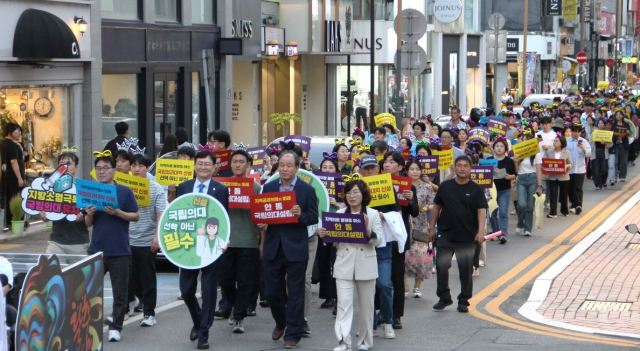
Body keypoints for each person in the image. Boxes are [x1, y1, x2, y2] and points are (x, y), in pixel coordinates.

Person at [259, 151, 319, 349]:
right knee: (272, 292)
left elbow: (313, 217)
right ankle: (281, 322)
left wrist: (301, 215)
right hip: (273, 247)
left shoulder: (306, 190)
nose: (284, 169)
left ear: (296, 168)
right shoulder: (268, 188)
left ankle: (293, 333)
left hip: (296, 247)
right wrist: (261, 223)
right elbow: (261, 213)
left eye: (288, 165)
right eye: (281, 165)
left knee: (295, 292)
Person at [319, 178, 382, 351]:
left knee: (367, 308)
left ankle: (365, 342)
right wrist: (324, 235)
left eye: (356, 192)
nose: (352, 196)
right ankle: (343, 341)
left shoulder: (373, 214)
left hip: (366, 264)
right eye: (348, 193)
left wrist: (367, 229)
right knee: (343, 305)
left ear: (364, 195)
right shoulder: (338, 214)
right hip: (343, 264)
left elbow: (378, 241)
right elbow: (331, 241)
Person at [175, 151, 229, 350]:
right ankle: (198, 321)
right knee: (186, 290)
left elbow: (224, 217)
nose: (203, 167)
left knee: (208, 291)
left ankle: (204, 333)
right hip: (188, 246)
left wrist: (225, 239)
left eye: (207, 164)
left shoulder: (221, 189)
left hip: (211, 246)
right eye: (200, 163)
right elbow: (176, 216)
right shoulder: (184, 187)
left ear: (214, 167)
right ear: (194, 165)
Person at [84, 151, 140, 342]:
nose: (101, 172)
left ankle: (116, 327)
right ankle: (88, 324)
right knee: (89, 290)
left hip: (119, 250)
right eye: (98, 169)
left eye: (105, 168)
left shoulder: (125, 191)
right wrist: (89, 213)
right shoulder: (92, 190)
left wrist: (117, 212)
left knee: (120, 293)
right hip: (96, 249)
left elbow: (135, 215)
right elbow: (88, 223)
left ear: (114, 169)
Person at [429, 156, 487, 312]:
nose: (462, 168)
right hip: (446, 234)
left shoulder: (476, 189)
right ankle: (444, 297)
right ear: (454, 168)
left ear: (470, 169)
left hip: (467, 236)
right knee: (441, 265)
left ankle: (464, 300)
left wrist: (480, 231)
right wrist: (431, 228)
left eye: (465, 166)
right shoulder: (445, 186)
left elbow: (481, 211)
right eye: (459, 166)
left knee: (465, 270)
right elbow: (436, 207)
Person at [218, 150, 263, 334]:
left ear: (249, 165)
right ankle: (235, 306)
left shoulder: (257, 188)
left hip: (249, 242)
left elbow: (262, 219)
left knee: (245, 282)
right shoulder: (222, 187)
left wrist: (262, 243)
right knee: (226, 280)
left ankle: (239, 317)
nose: (237, 165)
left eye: (241, 162)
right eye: (234, 161)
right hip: (226, 242)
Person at [357, 155, 397, 339]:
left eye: (373, 167)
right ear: (361, 171)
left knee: (384, 285)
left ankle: (387, 321)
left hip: (382, 244)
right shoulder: (355, 190)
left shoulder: (387, 187)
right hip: (362, 246)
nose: (370, 171)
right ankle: (370, 323)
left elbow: (396, 213)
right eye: (367, 168)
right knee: (366, 286)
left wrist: (384, 216)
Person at [127, 154, 166, 327]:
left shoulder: (156, 189)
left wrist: (157, 237)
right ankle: (132, 305)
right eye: (133, 165)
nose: (136, 169)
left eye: (140, 166)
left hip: (146, 240)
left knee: (148, 279)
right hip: (126, 240)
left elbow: (161, 215)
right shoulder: (124, 187)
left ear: (148, 168)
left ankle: (149, 313)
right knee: (130, 279)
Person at [381, 152, 418, 329]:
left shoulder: (408, 186)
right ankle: (380, 310)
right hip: (380, 235)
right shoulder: (377, 184)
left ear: (401, 166)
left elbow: (415, 212)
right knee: (379, 277)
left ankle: (396, 315)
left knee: (396, 276)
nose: (387, 165)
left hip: (397, 237)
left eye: (392, 162)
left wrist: (411, 201)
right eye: (385, 162)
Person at [40, 152, 89, 256]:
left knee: (78, 273)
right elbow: (48, 214)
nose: (64, 167)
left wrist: (84, 217)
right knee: (53, 271)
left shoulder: (83, 189)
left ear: (76, 167)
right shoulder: (51, 189)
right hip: (56, 242)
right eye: (61, 164)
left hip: (79, 242)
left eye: (68, 163)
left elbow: (90, 219)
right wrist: (44, 216)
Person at [404, 159, 435, 298]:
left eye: (417, 169)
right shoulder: (402, 185)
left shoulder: (427, 187)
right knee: (403, 256)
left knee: (421, 256)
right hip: (405, 222)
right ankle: (404, 286)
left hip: (421, 224)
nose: (415, 171)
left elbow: (434, 204)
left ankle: (417, 287)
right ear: (406, 171)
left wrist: (427, 207)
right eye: (412, 169)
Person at [487, 139, 517, 244]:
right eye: (497, 146)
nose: (499, 148)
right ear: (493, 148)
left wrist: (507, 176)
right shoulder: (488, 160)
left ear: (505, 149)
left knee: (503, 212)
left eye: (502, 146)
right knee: (492, 213)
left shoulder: (509, 161)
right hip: (491, 190)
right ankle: (495, 233)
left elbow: (514, 175)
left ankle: (504, 235)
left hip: (504, 190)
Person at [515, 132, 543, 236]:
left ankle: (528, 228)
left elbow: (539, 171)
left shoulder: (537, 154)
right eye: (523, 140)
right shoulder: (518, 153)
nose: (524, 142)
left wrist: (539, 186)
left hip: (532, 179)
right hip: (521, 179)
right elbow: (517, 171)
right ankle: (520, 223)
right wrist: (516, 161)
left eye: (527, 140)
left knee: (530, 206)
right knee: (521, 204)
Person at [2, 123, 26, 229]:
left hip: (7, 176)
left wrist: (20, 147)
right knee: (16, 198)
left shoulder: (6, 143)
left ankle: (10, 222)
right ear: (10, 131)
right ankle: (16, 222)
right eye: (16, 131)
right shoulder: (11, 144)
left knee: (10, 199)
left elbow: (24, 158)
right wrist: (19, 178)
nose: (19, 133)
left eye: (20, 131)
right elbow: (14, 162)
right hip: (13, 177)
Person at [566, 124, 591, 215]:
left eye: (578, 132)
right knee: (570, 188)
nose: (576, 134)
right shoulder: (567, 141)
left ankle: (579, 205)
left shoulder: (584, 142)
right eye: (574, 131)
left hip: (580, 169)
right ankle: (573, 204)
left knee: (578, 187)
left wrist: (583, 148)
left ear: (580, 133)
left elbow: (588, 154)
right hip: (569, 169)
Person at [545, 136, 573, 218]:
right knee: (553, 194)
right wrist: (545, 167)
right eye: (554, 141)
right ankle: (553, 212)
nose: (554, 142)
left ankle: (564, 210)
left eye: (556, 141)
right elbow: (546, 162)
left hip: (564, 176)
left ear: (561, 143)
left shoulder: (566, 152)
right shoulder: (549, 152)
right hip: (552, 176)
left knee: (564, 194)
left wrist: (566, 166)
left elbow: (571, 163)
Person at [590, 119, 611, 190]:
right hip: (595, 152)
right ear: (597, 125)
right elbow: (590, 143)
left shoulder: (607, 133)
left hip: (603, 152)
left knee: (604, 169)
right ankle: (598, 184)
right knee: (596, 169)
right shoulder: (594, 133)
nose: (601, 125)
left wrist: (605, 144)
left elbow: (611, 144)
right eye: (599, 123)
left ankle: (603, 180)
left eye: (602, 123)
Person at [613, 110, 632, 182]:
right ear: (615, 116)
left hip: (623, 144)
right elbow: (611, 133)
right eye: (617, 114)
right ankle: (614, 176)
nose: (618, 116)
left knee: (623, 161)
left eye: (620, 114)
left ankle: (622, 176)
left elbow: (630, 133)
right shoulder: (613, 124)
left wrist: (628, 132)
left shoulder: (626, 124)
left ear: (622, 116)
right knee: (615, 161)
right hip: (615, 144)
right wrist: (616, 139)